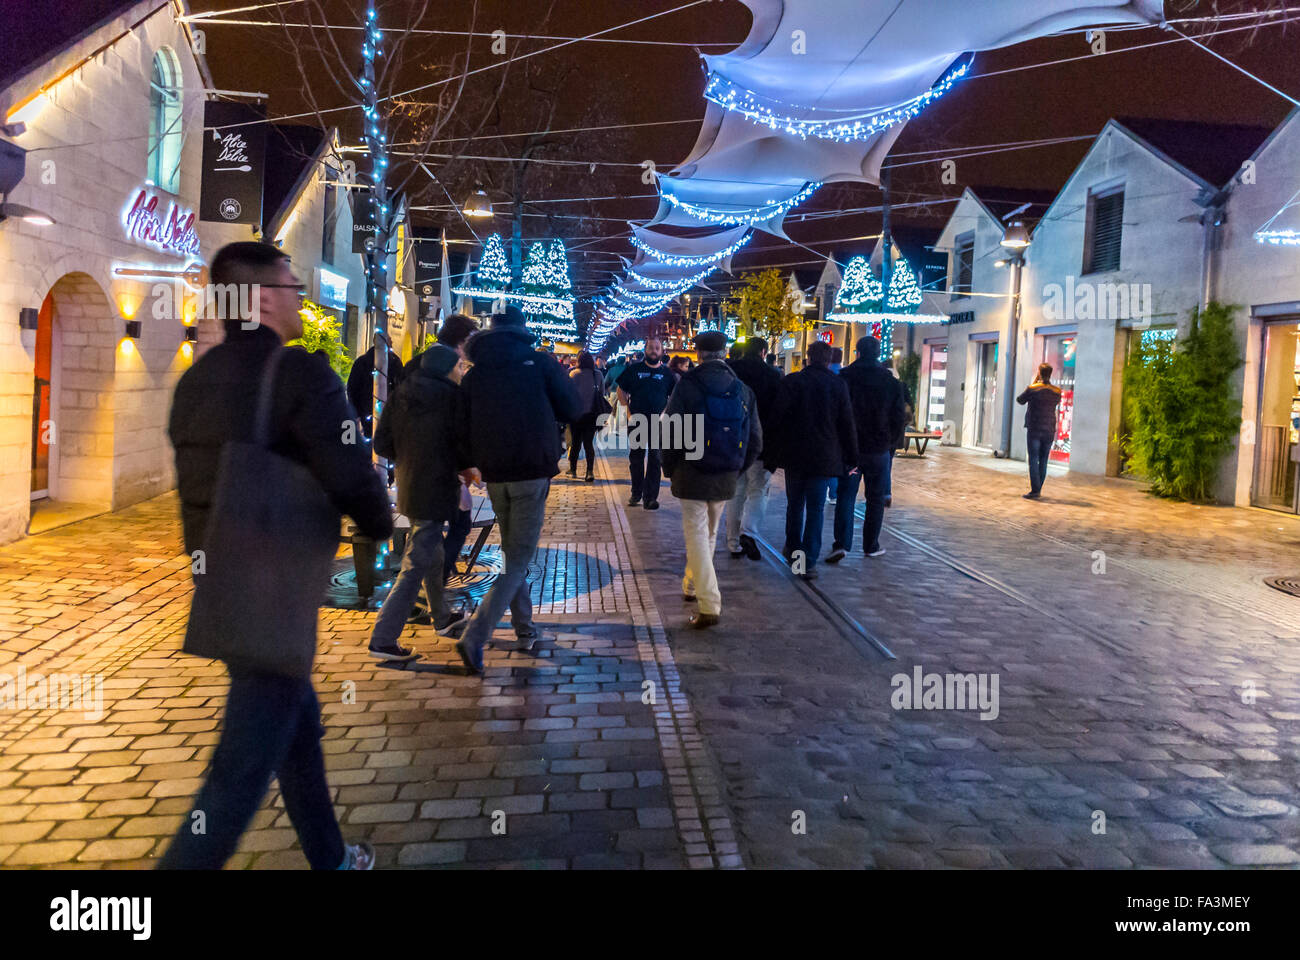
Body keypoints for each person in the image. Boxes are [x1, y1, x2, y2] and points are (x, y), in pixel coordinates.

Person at [163, 241, 392, 870]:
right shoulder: (297, 372)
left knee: (296, 729)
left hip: (222, 578)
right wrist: (380, 523)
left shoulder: (195, 380)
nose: (300, 296)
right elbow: (348, 465)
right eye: (291, 286)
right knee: (236, 776)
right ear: (263, 298)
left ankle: (332, 857)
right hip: (274, 584)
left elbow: (197, 490)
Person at [453, 305, 580, 674]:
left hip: (494, 473)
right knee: (519, 556)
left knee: (512, 551)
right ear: (523, 329)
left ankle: (525, 629)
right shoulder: (539, 363)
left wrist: (470, 463)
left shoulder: (475, 374)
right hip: (531, 469)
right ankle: (476, 634)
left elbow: (462, 426)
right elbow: (572, 407)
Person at [367, 315, 479, 662]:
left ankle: (443, 619)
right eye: (459, 366)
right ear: (450, 368)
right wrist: (465, 469)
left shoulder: (404, 390)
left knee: (434, 554)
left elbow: (383, 443)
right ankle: (383, 638)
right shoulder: (450, 396)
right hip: (435, 486)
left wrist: (411, 455)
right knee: (416, 561)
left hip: (410, 483)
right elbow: (461, 444)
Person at [661, 331, 761, 628]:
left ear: (698, 353)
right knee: (709, 534)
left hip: (691, 474)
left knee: (697, 537)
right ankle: (692, 585)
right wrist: (738, 469)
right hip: (726, 473)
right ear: (725, 352)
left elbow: (671, 433)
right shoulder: (742, 390)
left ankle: (710, 604)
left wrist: (669, 468)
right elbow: (755, 439)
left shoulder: (687, 386)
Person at [768, 339, 858, 580]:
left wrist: (773, 451)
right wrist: (851, 457)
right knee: (816, 509)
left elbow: (777, 418)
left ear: (808, 357)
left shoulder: (793, 382)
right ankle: (807, 561)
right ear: (828, 360)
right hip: (824, 457)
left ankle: (792, 548)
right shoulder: (838, 385)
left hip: (795, 454)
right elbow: (846, 424)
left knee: (795, 504)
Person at [830, 335, 906, 562]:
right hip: (878, 451)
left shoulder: (844, 378)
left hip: (851, 451)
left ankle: (842, 543)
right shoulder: (891, 382)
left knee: (846, 496)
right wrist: (890, 444)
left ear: (858, 352)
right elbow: (899, 417)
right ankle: (871, 545)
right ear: (878, 353)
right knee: (875, 498)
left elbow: (836, 414)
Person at [724, 337, 783, 561]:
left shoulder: (730, 372)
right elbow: (778, 414)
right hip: (760, 442)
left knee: (736, 491)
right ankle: (748, 531)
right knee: (758, 490)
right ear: (763, 352)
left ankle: (733, 542)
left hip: (732, 441)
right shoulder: (772, 376)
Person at [616, 336, 675, 510]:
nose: (654, 351)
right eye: (651, 348)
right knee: (636, 457)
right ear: (645, 350)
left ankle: (651, 497)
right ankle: (636, 492)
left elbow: (673, 395)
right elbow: (621, 389)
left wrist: (665, 413)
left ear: (662, 351)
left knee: (656, 459)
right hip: (637, 420)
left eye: (657, 348)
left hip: (658, 423)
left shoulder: (667, 374)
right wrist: (627, 412)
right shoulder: (634, 369)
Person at [1018, 362, 1063, 500]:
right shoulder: (1057, 391)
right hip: (1049, 428)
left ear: (1039, 372)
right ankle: (1038, 489)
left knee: (1033, 458)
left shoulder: (1033, 388)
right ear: (1051, 373)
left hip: (1034, 428)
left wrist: (1035, 381)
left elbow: (1020, 400)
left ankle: (1035, 490)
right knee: (1043, 460)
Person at [347, 339, 405, 440]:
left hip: (368, 411)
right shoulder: (394, 362)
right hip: (381, 411)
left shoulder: (362, 362)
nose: (392, 341)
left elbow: (352, 388)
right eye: (389, 340)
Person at [567, 351, 604, 482]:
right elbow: (602, 393)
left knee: (575, 443)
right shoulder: (598, 375)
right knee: (589, 444)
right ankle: (589, 472)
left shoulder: (573, 374)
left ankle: (573, 469)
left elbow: (568, 394)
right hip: (592, 415)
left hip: (576, 415)